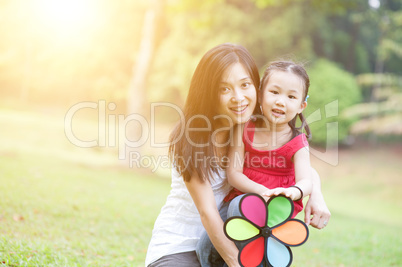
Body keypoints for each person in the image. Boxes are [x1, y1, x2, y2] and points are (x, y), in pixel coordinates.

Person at [145, 44, 330, 267]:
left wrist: (316, 194)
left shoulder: (252, 126)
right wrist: (237, 263)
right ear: (209, 92)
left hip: (237, 239)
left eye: (245, 85)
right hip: (181, 245)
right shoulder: (193, 137)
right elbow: (207, 213)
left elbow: (295, 165)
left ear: (257, 88)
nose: (239, 97)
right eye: (225, 89)